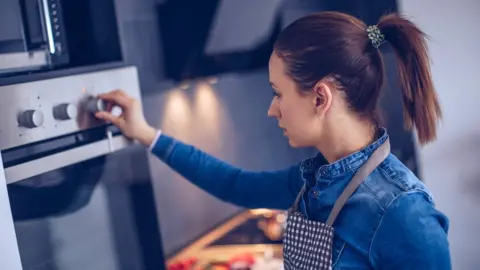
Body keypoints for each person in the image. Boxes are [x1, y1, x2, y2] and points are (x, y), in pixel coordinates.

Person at [95, 11, 451, 270]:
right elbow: (233, 184)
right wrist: (145, 134)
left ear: (320, 98)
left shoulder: (404, 214)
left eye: (278, 93)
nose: (271, 109)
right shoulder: (313, 181)